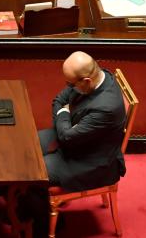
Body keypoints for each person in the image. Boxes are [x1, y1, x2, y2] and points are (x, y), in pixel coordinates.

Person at [25, 51, 126, 237]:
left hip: (91, 162)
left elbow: (66, 136)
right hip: (78, 140)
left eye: (71, 84)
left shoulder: (106, 108)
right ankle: (25, 208)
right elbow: (58, 100)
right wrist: (65, 117)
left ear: (86, 81)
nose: (68, 87)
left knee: (34, 172)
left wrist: (64, 114)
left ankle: (42, 226)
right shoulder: (96, 76)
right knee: (26, 148)